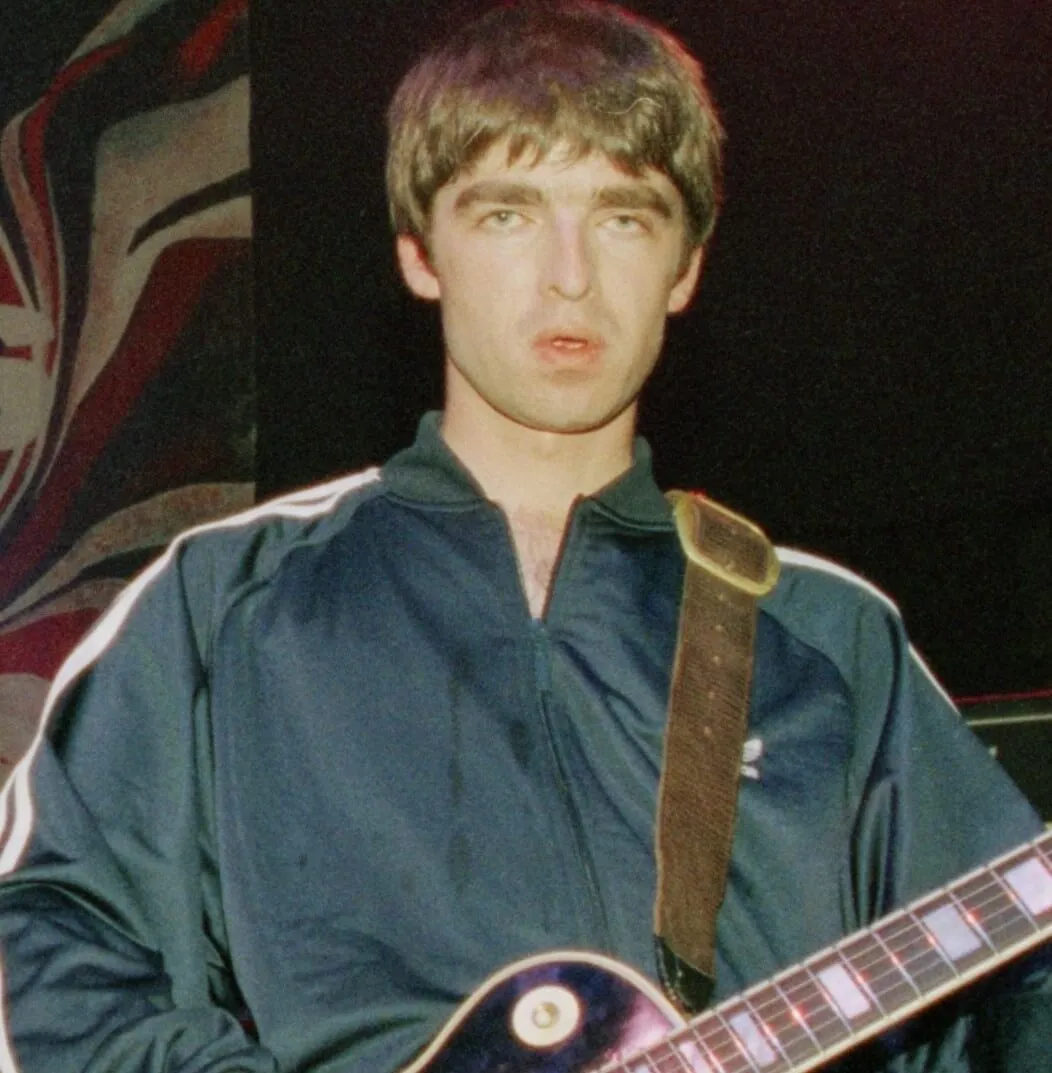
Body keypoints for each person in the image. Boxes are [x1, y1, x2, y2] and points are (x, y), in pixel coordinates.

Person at [0, 2, 1047, 1071]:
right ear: (418, 253)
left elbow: (1009, 1005)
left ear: (684, 266)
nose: (569, 275)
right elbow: (55, 943)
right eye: (506, 213)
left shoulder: (826, 636)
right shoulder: (227, 602)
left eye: (624, 217)